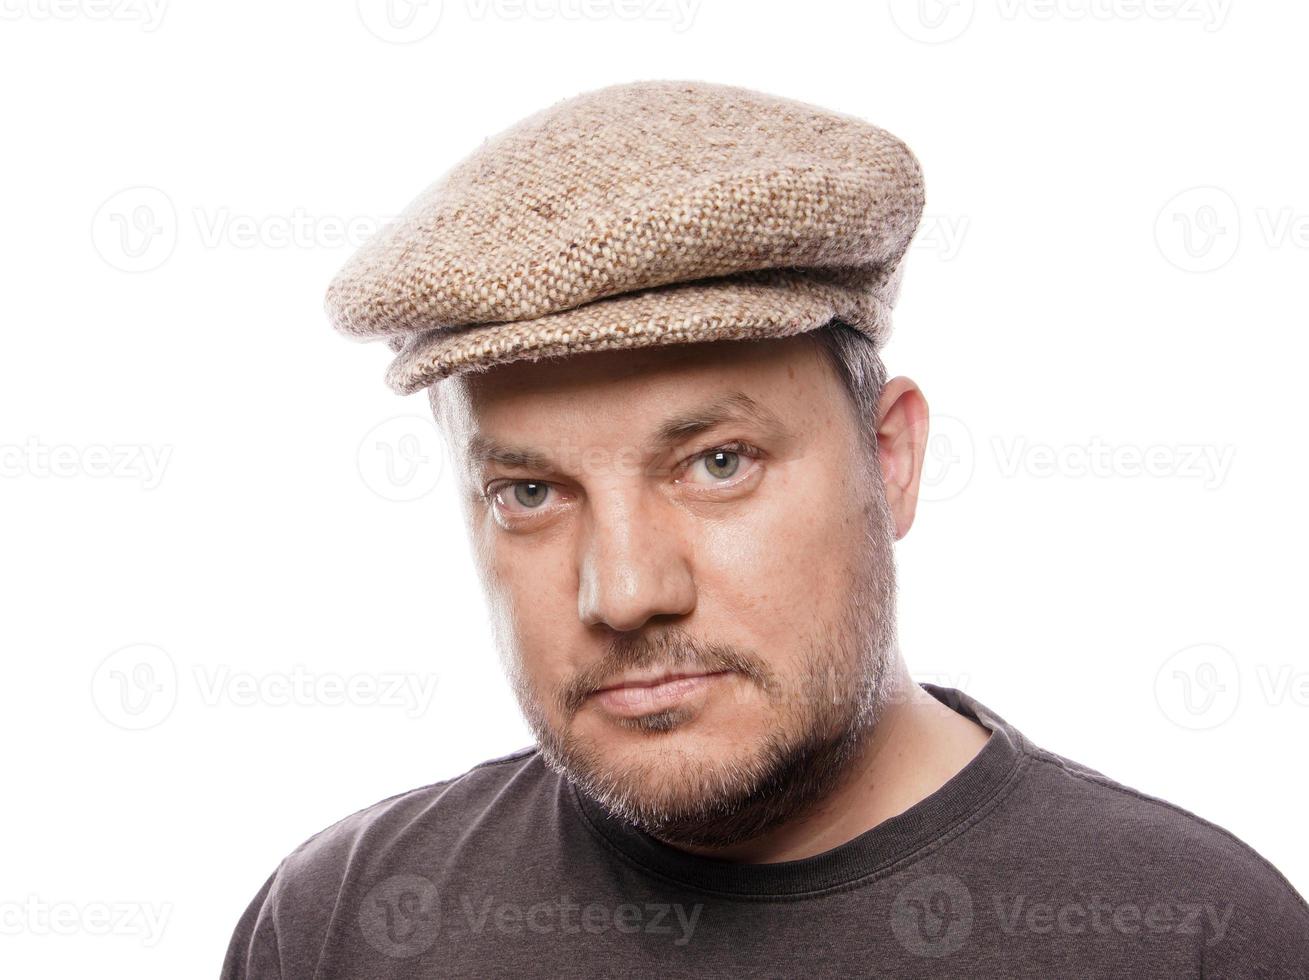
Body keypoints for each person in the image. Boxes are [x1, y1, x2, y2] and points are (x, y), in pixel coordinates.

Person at [222, 79, 1309, 977]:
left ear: (890, 459)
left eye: (716, 463)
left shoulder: (1194, 935)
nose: (624, 589)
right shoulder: (343, 924)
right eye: (532, 492)